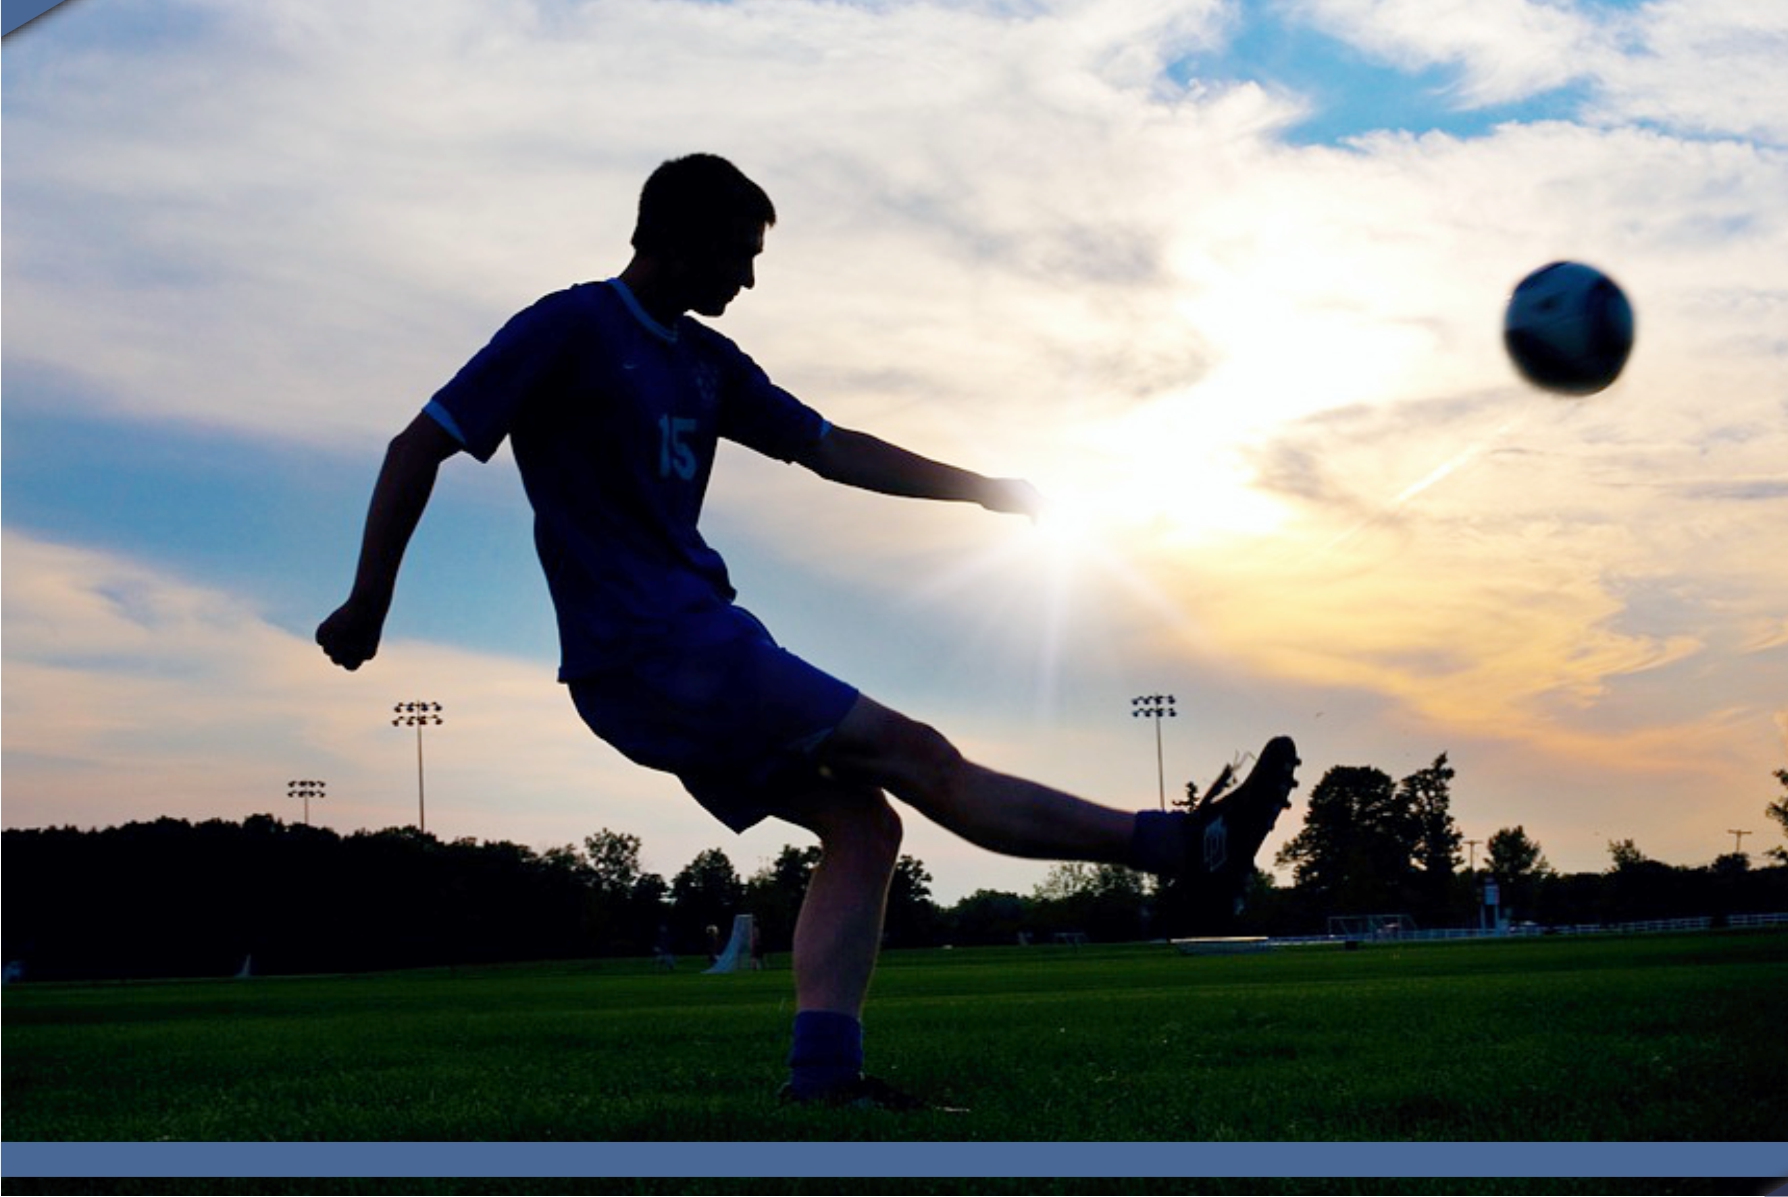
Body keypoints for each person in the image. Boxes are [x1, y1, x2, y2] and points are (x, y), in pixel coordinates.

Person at [317, 153, 1299, 1110]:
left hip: (658, 663)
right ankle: (1183, 850)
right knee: (915, 754)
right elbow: (421, 442)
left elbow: (828, 448)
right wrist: (371, 601)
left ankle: (825, 1079)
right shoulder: (568, 327)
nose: (747, 277)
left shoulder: (708, 363)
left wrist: (983, 490)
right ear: (679, 237)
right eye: (736, 254)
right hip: (664, 648)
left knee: (863, 824)